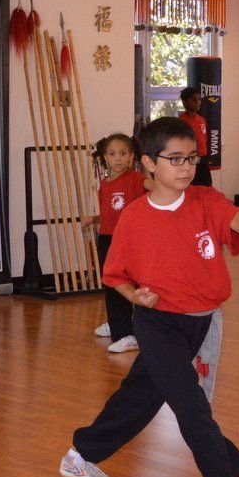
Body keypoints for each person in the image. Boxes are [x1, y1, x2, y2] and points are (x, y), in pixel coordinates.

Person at [60, 116, 239, 477]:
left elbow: (237, 219)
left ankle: (80, 455)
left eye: (191, 158)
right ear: (150, 164)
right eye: (174, 159)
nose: (185, 167)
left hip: (203, 320)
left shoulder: (206, 201)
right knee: (188, 403)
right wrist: (134, 296)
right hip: (157, 321)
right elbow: (116, 275)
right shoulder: (136, 217)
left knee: (139, 396)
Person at [83, 132, 147, 353]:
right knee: (110, 283)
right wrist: (95, 218)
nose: (117, 158)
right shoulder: (104, 183)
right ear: (104, 157)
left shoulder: (136, 179)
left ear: (131, 156)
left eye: (122, 153)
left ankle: (128, 334)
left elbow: (157, 187)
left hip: (129, 240)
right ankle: (117, 322)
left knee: (128, 283)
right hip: (107, 238)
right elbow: (109, 211)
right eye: (112, 154)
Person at [178, 85, 213, 187]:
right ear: (184, 102)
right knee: (191, 188)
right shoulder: (181, 121)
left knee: (207, 187)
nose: (197, 102)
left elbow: (204, 140)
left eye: (199, 99)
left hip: (202, 161)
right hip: (189, 161)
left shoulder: (202, 120)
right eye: (194, 99)